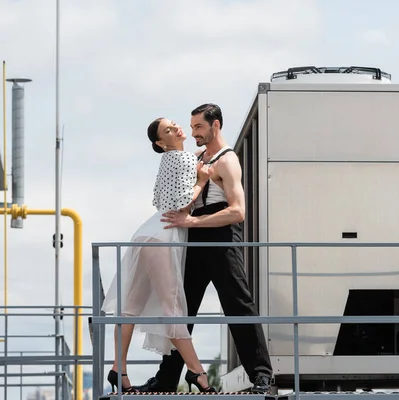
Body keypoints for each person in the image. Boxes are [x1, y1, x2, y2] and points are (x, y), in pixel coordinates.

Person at [134, 104, 273, 394]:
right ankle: (167, 377)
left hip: (221, 239)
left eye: (199, 127)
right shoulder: (195, 158)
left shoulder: (227, 161)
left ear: (216, 126)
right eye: (192, 126)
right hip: (193, 240)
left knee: (238, 305)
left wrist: (193, 220)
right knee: (181, 309)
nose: (194, 132)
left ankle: (261, 376)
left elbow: (238, 212)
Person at [100, 117, 217, 394]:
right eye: (168, 130)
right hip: (163, 236)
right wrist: (201, 181)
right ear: (161, 143)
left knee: (130, 308)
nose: (177, 128)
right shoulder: (186, 158)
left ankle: (119, 369)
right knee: (173, 309)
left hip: (146, 233)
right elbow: (181, 205)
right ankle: (197, 372)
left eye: (174, 124)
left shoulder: (167, 161)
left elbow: (158, 199)